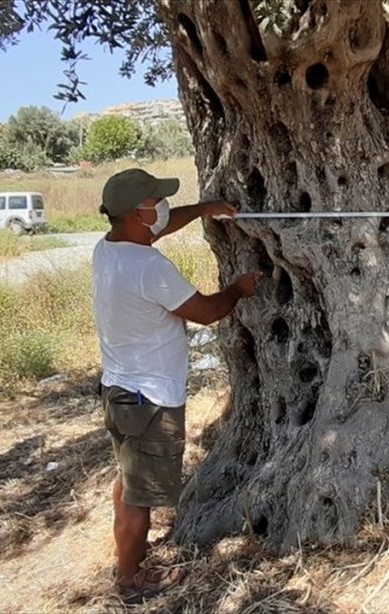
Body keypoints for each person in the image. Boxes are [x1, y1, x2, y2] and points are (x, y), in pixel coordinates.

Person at [93, 168, 263, 600]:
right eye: (157, 202)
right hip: (150, 402)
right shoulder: (150, 267)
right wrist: (238, 289)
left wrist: (205, 209)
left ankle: (129, 555)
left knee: (128, 482)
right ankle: (130, 580)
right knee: (139, 498)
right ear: (138, 213)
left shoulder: (108, 249)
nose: (164, 208)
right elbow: (206, 312)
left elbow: (163, 226)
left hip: (119, 392)